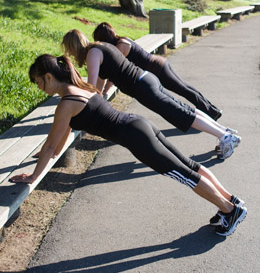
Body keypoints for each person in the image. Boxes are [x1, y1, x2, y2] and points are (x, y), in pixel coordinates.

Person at [10, 54, 247, 236]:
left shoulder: (65, 104)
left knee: (185, 175)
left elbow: (52, 146)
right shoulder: (79, 87)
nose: (39, 88)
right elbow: (60, 139)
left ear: (49, 77)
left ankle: (229, 209)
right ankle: (231, 201)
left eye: (38, 82)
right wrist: (45, 155)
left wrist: (32, 177)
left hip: (136, 138)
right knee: (190, 166)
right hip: (139, 125)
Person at [61, 29, 241, 160]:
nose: (70, 54)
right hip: (146, 79)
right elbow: (99, 87)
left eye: (69, 50)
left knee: (180, 114)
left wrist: (76, 100)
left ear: (73, 47)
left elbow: (92, 86)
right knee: (183, 109)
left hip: (143, 87)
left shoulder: (93, 54)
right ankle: (225, 132)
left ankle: (225, 137)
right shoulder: (101, 47)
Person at [93, 22, 222, 120]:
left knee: (183, 90)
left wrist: (104, 91)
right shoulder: (123, 40)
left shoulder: (120, 47)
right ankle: (212, 110)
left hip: (156, 69)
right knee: (185, 88)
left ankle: (210, 112)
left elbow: (113, 73)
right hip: (159, 63)